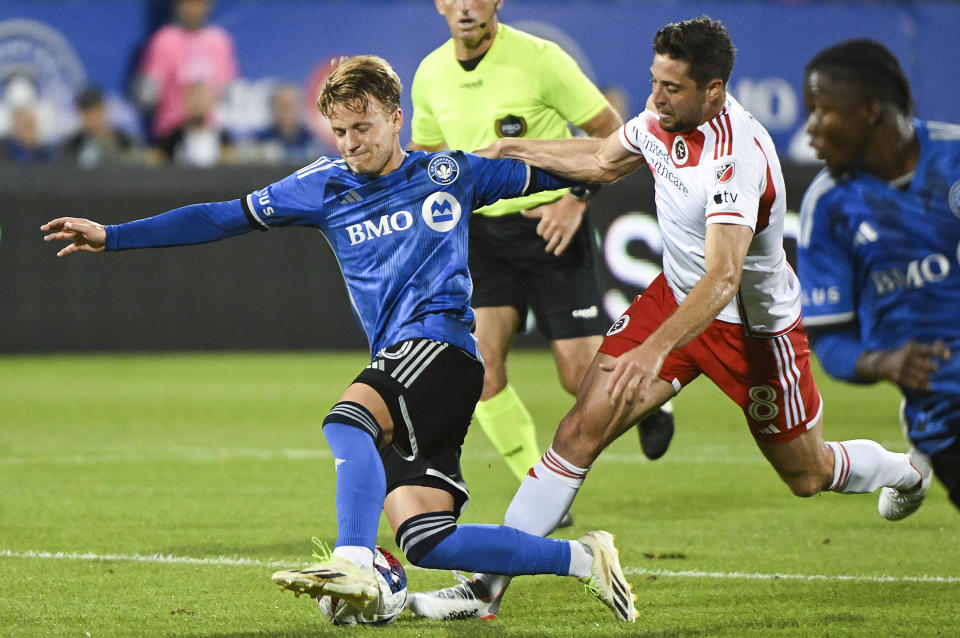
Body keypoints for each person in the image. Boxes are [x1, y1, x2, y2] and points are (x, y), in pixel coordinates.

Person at [41, 55, 637, 623]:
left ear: (395, 118)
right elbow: (220, 215)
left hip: (443, 346)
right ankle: (585, 559)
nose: (351, 142)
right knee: (428, 541)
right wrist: (112, 236)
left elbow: (586, 163)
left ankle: (354, 562)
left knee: (348, 419)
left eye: (362, 126)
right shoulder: (321, 187)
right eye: (339, 130)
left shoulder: (449, 174)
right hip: (408, 365)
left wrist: (643, 144)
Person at [408, 16, 929, 620]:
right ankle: (484, 589)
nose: (655, 97)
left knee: (807, 474)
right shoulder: (662, 118)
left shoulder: (739, 157)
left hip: (753, 332)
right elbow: (602, 160)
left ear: (714, 89)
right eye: (654, 81)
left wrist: (653, 351)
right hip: (674, 300)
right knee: (578, 432)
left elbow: (724, 279)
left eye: (671, 87)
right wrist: (511, 147)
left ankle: (903, 471)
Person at [408, 0, 676, 501]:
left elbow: (614, 136)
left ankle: (653, 399)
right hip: (484, 234)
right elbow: (428, 156)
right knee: (480, 369)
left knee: (580, 377)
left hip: (552, 228)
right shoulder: (429, 75)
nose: (465, 7)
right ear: (440, 4)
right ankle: (539, 487)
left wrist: (577, 200)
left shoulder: (541, 58)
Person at [797, 39, 959, 515]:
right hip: (945, 414)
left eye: (821, 111)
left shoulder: (953, 159)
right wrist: (885, 362)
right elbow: (829, 341)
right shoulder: (828, 208)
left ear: (869, 111)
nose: (809, 130)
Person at [133, 0, 237, 142]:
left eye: (199, 3)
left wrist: (204, 103)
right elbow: (147, 96)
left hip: (212, 133)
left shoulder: (220, 40)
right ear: (178, 5)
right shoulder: (164, 39)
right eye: (188, 3)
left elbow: (229, 93)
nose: (194, 9)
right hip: (171, 133)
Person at [151, 82, 235, 166]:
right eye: (194, 99)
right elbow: (155, 158)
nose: (198, 104)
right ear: (185, 102)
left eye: (202, 99)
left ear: (210, 102)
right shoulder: (175, 137)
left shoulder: (220, 137)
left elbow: (232, 162)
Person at [63, 86, 139, 168]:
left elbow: (140, 162)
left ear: (103, 110)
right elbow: (64, 171)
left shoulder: (123, 140)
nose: (91, 117)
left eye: (95, 110)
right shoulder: (74, 145)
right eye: (86, 112)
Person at [249, 83, 324, 164]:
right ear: (273, 108)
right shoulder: (260, 140)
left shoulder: (310, 141)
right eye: (281, 106)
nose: (286, 112)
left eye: (290, 106)